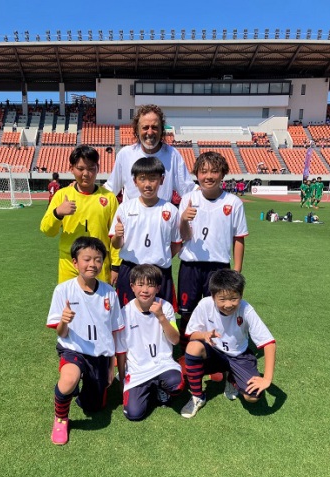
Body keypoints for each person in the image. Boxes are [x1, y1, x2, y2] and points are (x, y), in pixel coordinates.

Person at [46, 237, 124, 445]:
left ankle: (84, 385)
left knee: (93, 407)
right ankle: (61, 418)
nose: (92, 264)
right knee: (68, 380)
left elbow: (113, 332)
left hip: (99, 354)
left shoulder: (110, 293)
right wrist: (64, 321)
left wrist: (111, 366)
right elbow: (61, 334)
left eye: (98, 259)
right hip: (73, 349)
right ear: (75, 262)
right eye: (86, 259)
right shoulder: (63, 290)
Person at [177, 151, 248, 354]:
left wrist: (236, 271)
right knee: (187, 312)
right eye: (203, 171)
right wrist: (184, 219)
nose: (208, 176)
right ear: (197, 174)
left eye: (214, 171)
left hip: (219, 268)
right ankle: (187, 352)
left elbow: (239, 238)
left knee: (217, 311)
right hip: (190, 265)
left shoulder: (233, 202)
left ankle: (216, 353)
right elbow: (183, 236)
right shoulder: (188, 199)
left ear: (223, 174)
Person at [180, 269, 276, 418]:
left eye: (234, 298)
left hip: (239, 356)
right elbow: (191, 334)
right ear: (213, 296)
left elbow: (269, 343)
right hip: (215, 353)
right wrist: (204, 335)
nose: (228, 304)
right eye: (222, 299)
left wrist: (267, 379)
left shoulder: (246, 309)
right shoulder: (205, 304)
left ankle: (232, 377)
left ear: (241, 295)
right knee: (193, 347)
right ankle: (198, 396)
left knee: (253, 396)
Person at [40, 145, 120, 285]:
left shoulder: (109, 198)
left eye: (91, 168)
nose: (86, 174)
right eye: (81, 168)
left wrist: (115, 267)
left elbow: (115, 235)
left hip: (98, 263)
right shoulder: (62, 195)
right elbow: (47, 230)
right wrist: (58, 213)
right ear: (71, 169)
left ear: (98, 168)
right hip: (69, 262)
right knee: (69, 299)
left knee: (99, 299)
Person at [109, 157, 182, 307]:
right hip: (130, 270)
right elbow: (116, 245)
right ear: (135, 181)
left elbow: (176, 245)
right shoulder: (125, 208)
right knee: (126, 314)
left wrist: (158, 256)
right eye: (142, 179)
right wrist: (117, 235)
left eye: (153, 178)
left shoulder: (171, 210)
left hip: (159, 272)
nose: (147, 184)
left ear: (161, 180)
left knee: (161, 315)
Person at [116, 264, 184, 420]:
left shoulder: (165, 307)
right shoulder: (124, 313)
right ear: (132, 287)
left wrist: (161, 317)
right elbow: (121, 350)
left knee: (176, 384)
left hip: (163, 364)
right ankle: (149, 387)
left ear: (158, 288)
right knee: (134, 414)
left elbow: (175, 340)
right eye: (140, 285)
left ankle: (160, 386)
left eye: (150, 285)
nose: (145, 290)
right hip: (138, 370)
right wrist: (122, 379)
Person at [104, 104, 195, 202]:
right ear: (137, 130)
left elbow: (188, 190)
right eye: (145, 127)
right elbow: (110, 189)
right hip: (132, 212)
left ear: (161, 130)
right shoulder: (125, 154)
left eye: (154, 127)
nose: (150, 132)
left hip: (162, 212)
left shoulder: (173, 155)